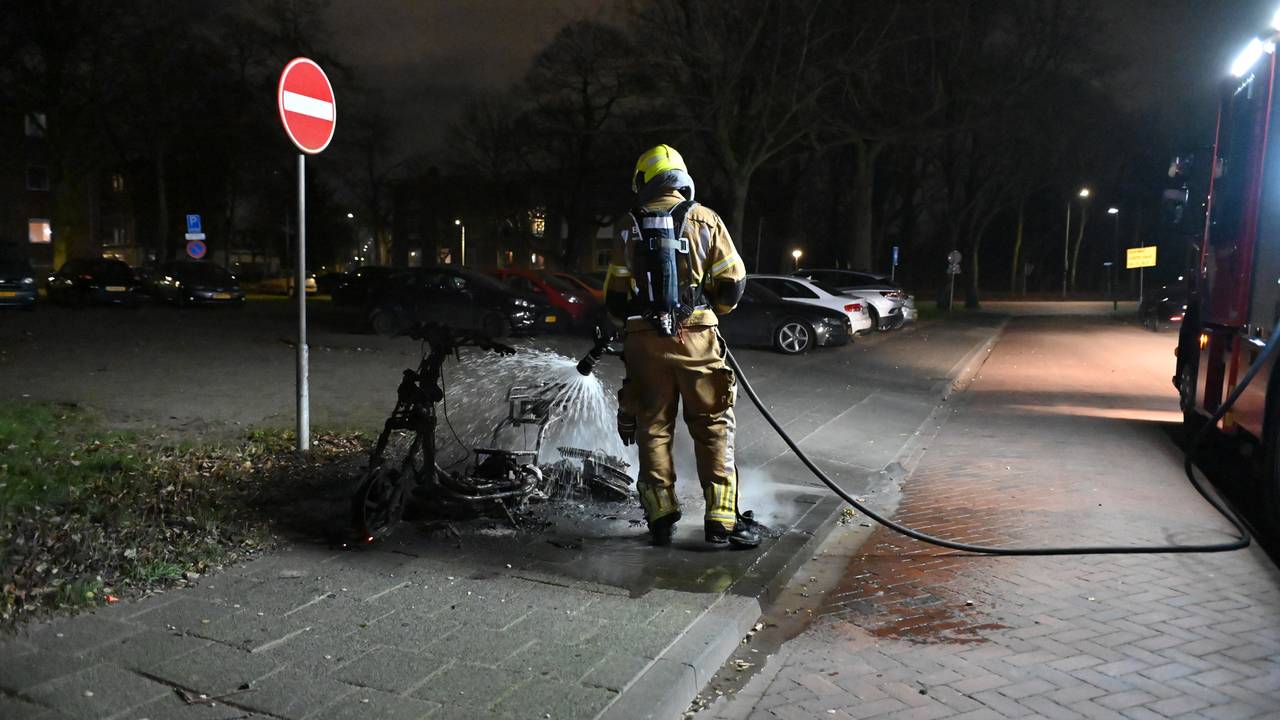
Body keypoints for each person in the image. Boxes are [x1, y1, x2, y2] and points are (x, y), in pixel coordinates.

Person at [605, 144, 759, 548]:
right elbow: (733, 283)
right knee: (712, 424)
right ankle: (721, 519)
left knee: (652, 427)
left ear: (642, 180)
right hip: (697, 339)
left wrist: (638, 326)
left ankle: (660, 517)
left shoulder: (627, 225)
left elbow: (615, 299)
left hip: (643, 343)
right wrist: (710, 312)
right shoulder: (706, 219)